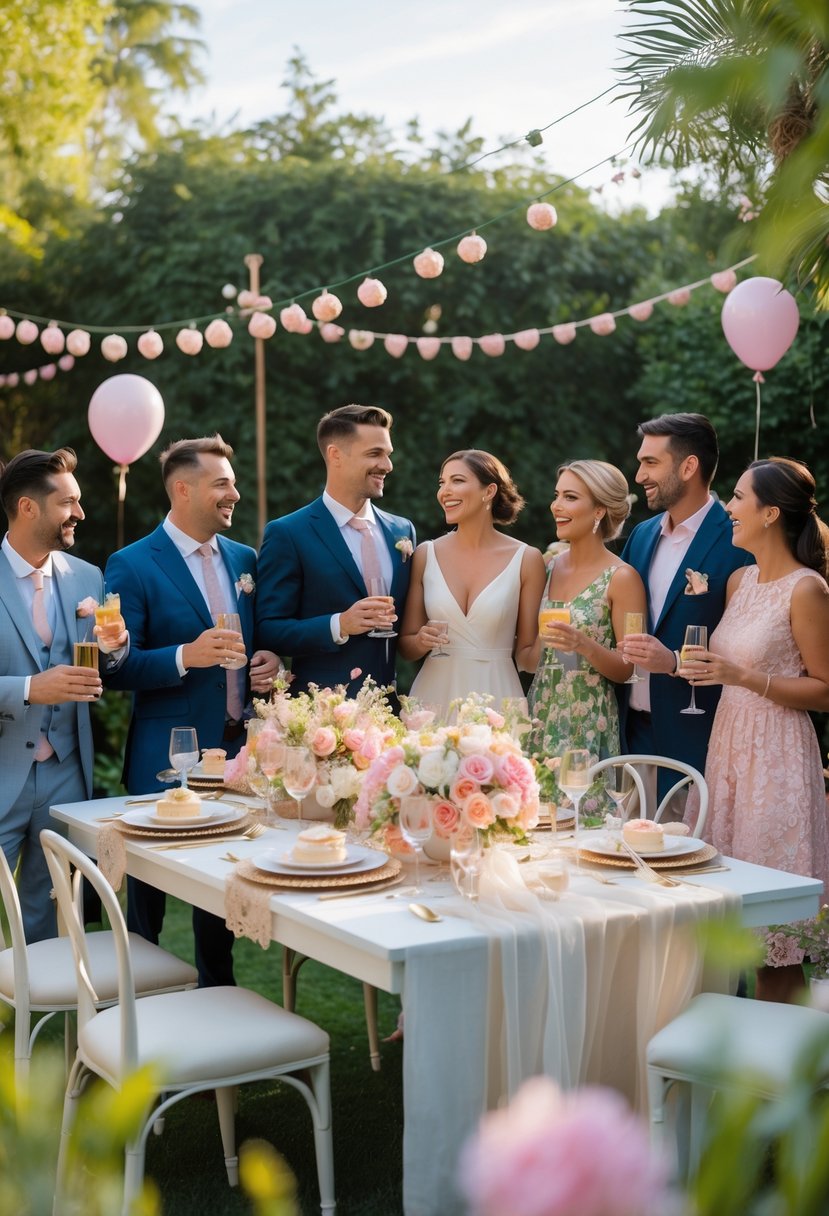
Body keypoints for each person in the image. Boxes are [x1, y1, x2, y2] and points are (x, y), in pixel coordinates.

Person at [105, 434, 279, 986]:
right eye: (222, 484)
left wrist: (269, 665)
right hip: (168, 752)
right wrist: (186, 655)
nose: (235, 494)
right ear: (183, 489)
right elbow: (115, 667)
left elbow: (261, 639)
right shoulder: (131, 564)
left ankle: (217, 991)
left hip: (235, 751)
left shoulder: (245, 560)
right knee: (147, 898)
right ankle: (135, 1005)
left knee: (221, 885)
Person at [680, 457, 829, 1003]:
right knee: (725, 921)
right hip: (729, 749)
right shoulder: (739, 580)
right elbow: (724, 665)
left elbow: (825, 688)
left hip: (778, 758)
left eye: (738, 498)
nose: (729, 508)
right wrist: (672, 662)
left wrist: (745, 676)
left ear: (770, 513)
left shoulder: (807, 589)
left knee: (774, 940)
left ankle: (783, 1077)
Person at [0, 447, 127, 942]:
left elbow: (106, 660)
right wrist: (32, 688)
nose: (79, 512)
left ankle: (44, 1014)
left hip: (66, 775)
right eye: (68, 502)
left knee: (53, 911)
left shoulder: (87, 577)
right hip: (3, 769)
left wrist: (117, 646)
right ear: (28, 507)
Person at [619, 413, 752, 784]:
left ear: (689, 466)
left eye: (650, 463)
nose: (640, 475)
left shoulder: (740, 542)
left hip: (699, 737)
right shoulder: (642, 536)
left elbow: (756, 647)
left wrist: (675, 661)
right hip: (631, 737)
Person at [256, 404, 416, 694]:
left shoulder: (402, 530)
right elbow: (269, 629)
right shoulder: (288, 533)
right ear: (335, 455)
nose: (387, 465)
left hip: (391, 712)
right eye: (375, 454)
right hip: (321, 717)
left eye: (387, 454)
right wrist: (339, 624)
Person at [525, 460, 646, 806]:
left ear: (599, 511)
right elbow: (531, 657)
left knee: (582, 828)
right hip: (539, 715)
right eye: (557, 495)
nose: (556, 506)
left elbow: (630, 669)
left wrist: (583, 644)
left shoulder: (623, 578)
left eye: (570, 497)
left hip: (586, 723)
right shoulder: (548, 567)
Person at [398, 449, 546, 717]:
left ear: (488, 491)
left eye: (457, 481)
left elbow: (527, 658)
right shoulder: (425, 554)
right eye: (442, 483)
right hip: (432, 700)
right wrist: (421, 640)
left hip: (498, 700)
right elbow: (407, 647)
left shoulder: (527, 559)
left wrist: (554, 636)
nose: (445, 491)